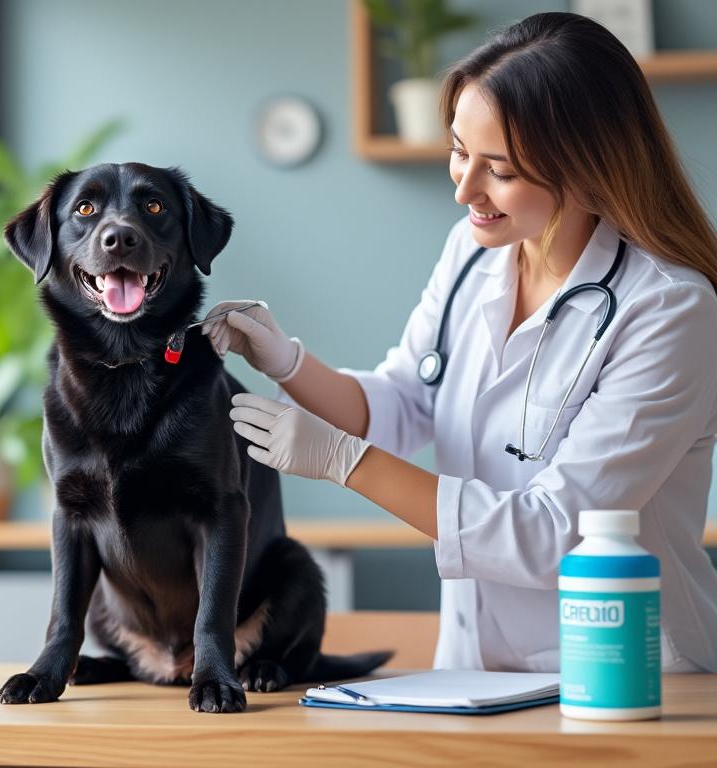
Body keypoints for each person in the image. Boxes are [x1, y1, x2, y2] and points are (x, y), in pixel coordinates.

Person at [203, 12, 717, 673]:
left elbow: (554, 533)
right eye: (458, 151)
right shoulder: (475, 254)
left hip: (630, 670)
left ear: (588, 169)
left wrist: (342, 462)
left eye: (498, 169)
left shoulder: (669, 309)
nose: (464, 187)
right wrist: (287, 361)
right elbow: (404, 404)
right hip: (475, 669)